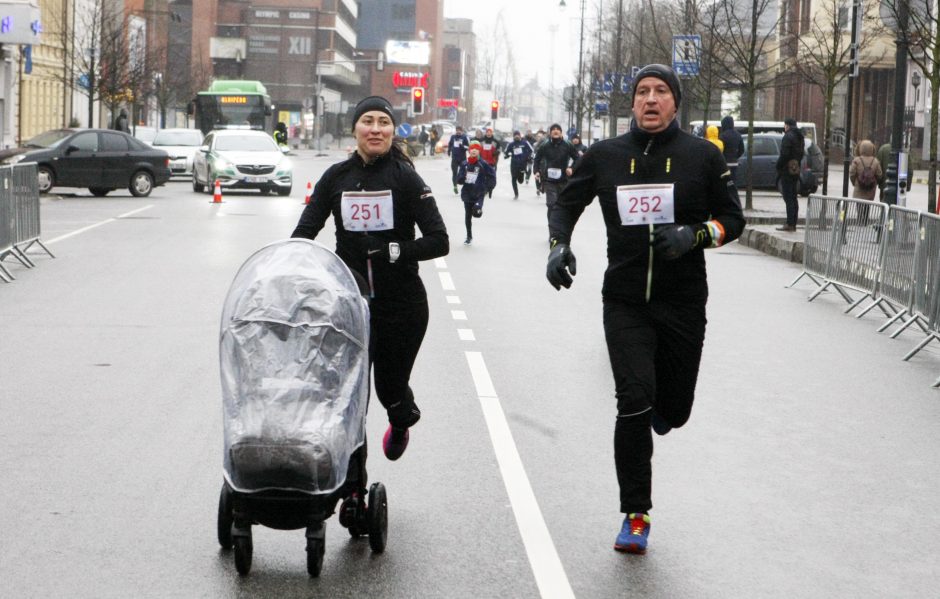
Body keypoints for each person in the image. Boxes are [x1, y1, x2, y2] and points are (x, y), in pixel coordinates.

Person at [545, 64, 745, 555]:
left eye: (660, 92)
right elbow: (566, 203)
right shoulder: (606, 155)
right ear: (631, 103)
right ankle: (636, 514)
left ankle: (665, 410)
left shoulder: (702, 156)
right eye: (641, 92)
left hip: (682, 301)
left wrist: (694, 235)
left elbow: (733, 219)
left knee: (673, 411)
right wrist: (557, 245)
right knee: (633, 401)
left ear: (676, 102)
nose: (650, 99)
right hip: (626, 300)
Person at [291, 96, 449, 461]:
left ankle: (401, 417)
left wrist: (392, 250)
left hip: (402, 305)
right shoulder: (336, 178)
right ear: (355, 129)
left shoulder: (406, 178)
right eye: (368, 121)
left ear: (393, 131)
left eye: (383, 122)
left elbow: (439, 241)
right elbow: (304, 233)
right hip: (349, 303)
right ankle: (351, 479)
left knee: (388, 388)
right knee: (347, 394)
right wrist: (292, 269)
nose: (375, 129)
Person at [533, 123, 579, 228]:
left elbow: (577, 158)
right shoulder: (545, 145)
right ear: (550, 133)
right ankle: (552, 227)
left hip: (563, 180)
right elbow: (537, 159)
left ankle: (560, 225)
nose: (555, 131)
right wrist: (536, 171)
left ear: (561, 132)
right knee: (551, 205)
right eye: (553, 129)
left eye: (558, 129)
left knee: (561, 205)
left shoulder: (567, 144)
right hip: (549, 180)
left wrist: (571, 168)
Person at [457, 140, 496, 244]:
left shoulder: (483, 164)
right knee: (468, 215)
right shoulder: (464, 164)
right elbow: (459, 179)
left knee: (476, 213)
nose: (474, 150)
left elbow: (492, 176)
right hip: (467, 193)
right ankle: (469, 236)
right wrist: (461, 178)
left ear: (479, 151)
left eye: (476, 149)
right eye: (472, 148)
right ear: (469, 151)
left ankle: (478, 209)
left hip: (479, 193)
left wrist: (489, 188)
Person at [775, 117, 804, 232]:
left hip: (786, 170)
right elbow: (801, 153)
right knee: (793, 196)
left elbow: (784, 154)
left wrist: (778, 165)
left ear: (787, 125)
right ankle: (793, 222)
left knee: (788, 197)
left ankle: (789, 223)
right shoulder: (799, 136)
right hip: (795, 168)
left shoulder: (788, 136)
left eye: (785, 125)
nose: (784, 127)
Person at [503, 130, 534, 199]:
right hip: (514, 164)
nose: (516, 136)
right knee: (513, 179)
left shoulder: (525, 142)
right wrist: (507, 155)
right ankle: (516, 194)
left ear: (520, 136)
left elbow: (531, 150)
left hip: (522, 164)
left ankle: (522, 176)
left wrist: (530, 157)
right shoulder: (511, 144)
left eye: (518, 135)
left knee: (520, 181)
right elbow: (505, 152)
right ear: (513, 136)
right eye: (515, 135)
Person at [718, 116, 744, 181]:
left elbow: (720, 150)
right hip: (734, 163)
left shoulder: (722, 136)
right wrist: (735, 156)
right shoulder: (738, 135)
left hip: (725, 163)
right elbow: (742, 150)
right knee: (733, 182)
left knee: (725, 182)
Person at [448, 125, 470, 195]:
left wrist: (463, 146)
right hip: (454, 158)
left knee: (463, 173)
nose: (458, 131)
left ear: (462, 131)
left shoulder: (464, 137)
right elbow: (450, 144)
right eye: (457, 130)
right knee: (454, 173)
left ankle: (464, 187)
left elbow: (468, 147)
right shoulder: (453, 137)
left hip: (462, 158)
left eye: (459, 130)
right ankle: (455, 186)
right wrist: (449, 150)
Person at [480, 127, 501, 197]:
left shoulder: (495, 141)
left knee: (491, 177)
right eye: (487, 132)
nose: (489, 133)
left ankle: (489, 188)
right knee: (482, 176)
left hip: (492, 162)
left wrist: (496, 152)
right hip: (482, 162)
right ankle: (484, 189)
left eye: (490, 132)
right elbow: (478, 149)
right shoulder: (482, 141)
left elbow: (500, 149)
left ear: (492, 133)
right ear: (486, 133)